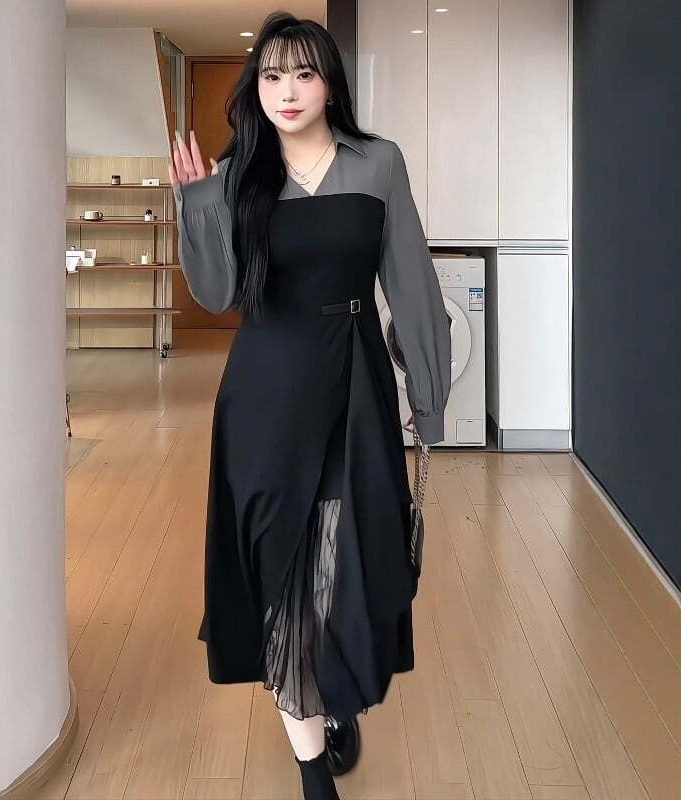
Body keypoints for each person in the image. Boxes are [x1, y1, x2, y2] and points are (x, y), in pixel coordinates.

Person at [169, 11, 451, 800]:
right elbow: (219, 293)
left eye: (303, 73)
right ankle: (312, 771)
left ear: (331, 84)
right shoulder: (237, 174)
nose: (286, 91)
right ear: (255, 87)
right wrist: (198, 204)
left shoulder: (378, 162)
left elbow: (412, 285)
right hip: (265, 395)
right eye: (270, 76)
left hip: (356, 389)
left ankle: (332, 690)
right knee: (286, 571)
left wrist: (428, 402)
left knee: (345, 561)